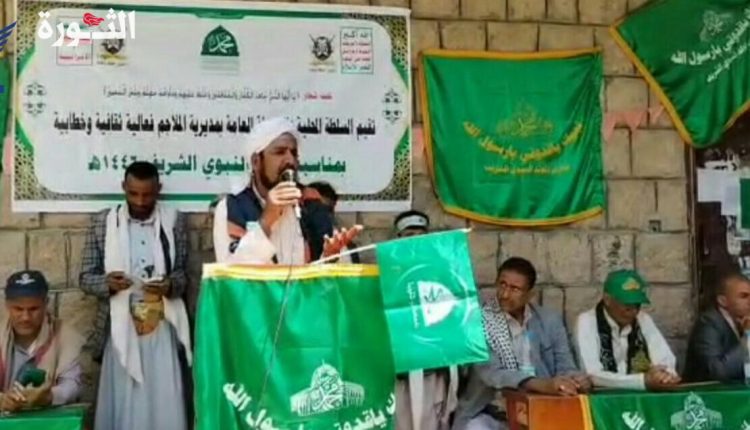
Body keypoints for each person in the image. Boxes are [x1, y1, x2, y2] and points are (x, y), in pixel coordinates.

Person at [79, 161, 192, 430]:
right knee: (124, 402)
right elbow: (85, 278)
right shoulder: (103, 224)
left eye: (147, 194)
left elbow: (183, 275)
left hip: (161, 328)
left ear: (158, 190)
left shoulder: (174, 222)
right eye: (133, 194)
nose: (140, 201)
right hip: (121, 329)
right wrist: (107, 283)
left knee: (164, 401)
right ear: (123, 188)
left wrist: (169, 285)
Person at [453, 257, 590, 430]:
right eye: (502, 285)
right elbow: (492, 373)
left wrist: (576, 380)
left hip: (541, 411)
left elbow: (565, 365)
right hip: (490, 412)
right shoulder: (480, 321)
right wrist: (542, 385)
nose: (505, 294)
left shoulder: (549, 320)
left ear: (530, 294)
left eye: (514, 289)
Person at [212, 117, 359, 265]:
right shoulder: (231, 208)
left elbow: (337, 269)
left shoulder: (310, 203)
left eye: (293, 153)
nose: (290, 160)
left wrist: (329, 257)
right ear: (256, 162)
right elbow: (230, 272)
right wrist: (267, 219)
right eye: (280, 152)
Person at [390, 210, 456, 430]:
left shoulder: (442, 274)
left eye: (421, 235)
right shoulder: (386, 274)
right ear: (398, 238)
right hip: (400, 374)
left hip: (433, 373)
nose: (416, 241)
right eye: (409, 235)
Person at [574, 269, 679, 390]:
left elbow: (665, 359)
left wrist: (664, 376)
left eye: (637, 305)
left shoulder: (643, 319)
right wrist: (642, 381)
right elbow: (592, 374)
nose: (633, 311)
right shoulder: (586, 322)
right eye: (627, 305)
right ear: (607, 300)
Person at [0, 270, 84, 412]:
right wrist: (3, 400)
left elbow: (72, 385)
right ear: (7, 305)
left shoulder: (65, 335)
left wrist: (48, 397)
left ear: (45, 304)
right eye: (18, 309)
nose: (26, 317)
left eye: (33, 309)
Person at [683, 271, 750, 382]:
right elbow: (718, 372)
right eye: (744, 296)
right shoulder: (709, 323)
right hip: (705, 392)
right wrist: (748, 338)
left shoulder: (741, 321)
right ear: (722, 301)